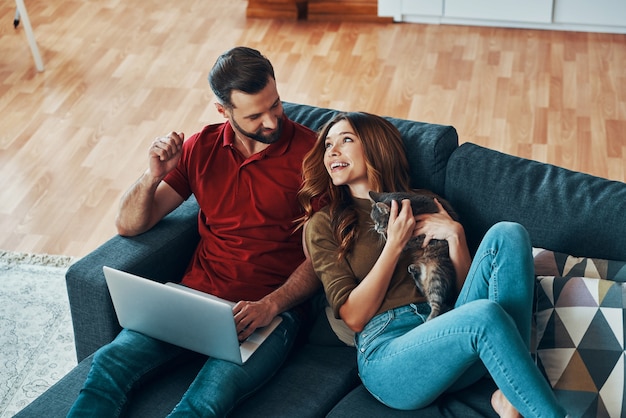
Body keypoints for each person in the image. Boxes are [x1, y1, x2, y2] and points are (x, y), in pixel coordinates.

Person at [68, 46, 321, 417]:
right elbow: (129, 223)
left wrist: (272, 305)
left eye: (276, 104)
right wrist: (152, 176)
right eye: (255, 115)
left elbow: (324, 257)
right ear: (223, 111)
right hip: (193, 301)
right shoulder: (200, 147)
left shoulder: (312, 156)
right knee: (108, 364)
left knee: (203, 404)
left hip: (268, 314)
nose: (272, 121)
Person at [298, 111, 568, 418]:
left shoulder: (427, 203)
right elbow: (354, 318)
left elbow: (464, 298)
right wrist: (394, 244)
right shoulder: (325, 224)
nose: (331, 151)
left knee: (508, 233)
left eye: (345, 140)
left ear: (375, 146)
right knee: (484, 315)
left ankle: (509, 394)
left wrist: (456, 236)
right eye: (328, 145)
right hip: (389, 355)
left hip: (452, 337)